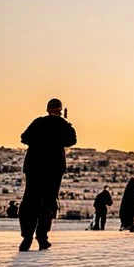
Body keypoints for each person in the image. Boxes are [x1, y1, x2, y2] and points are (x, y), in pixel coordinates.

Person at [18, 98, 77, 251]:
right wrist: (64, 123)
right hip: (53, 169)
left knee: (30, 202)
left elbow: (24, 138)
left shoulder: (38, 122)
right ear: (59, 109)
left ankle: (27, 237)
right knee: (48, 203)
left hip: (34, 168)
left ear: (48, 109)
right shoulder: (62, 125)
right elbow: (72, 140)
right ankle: (42, 237)